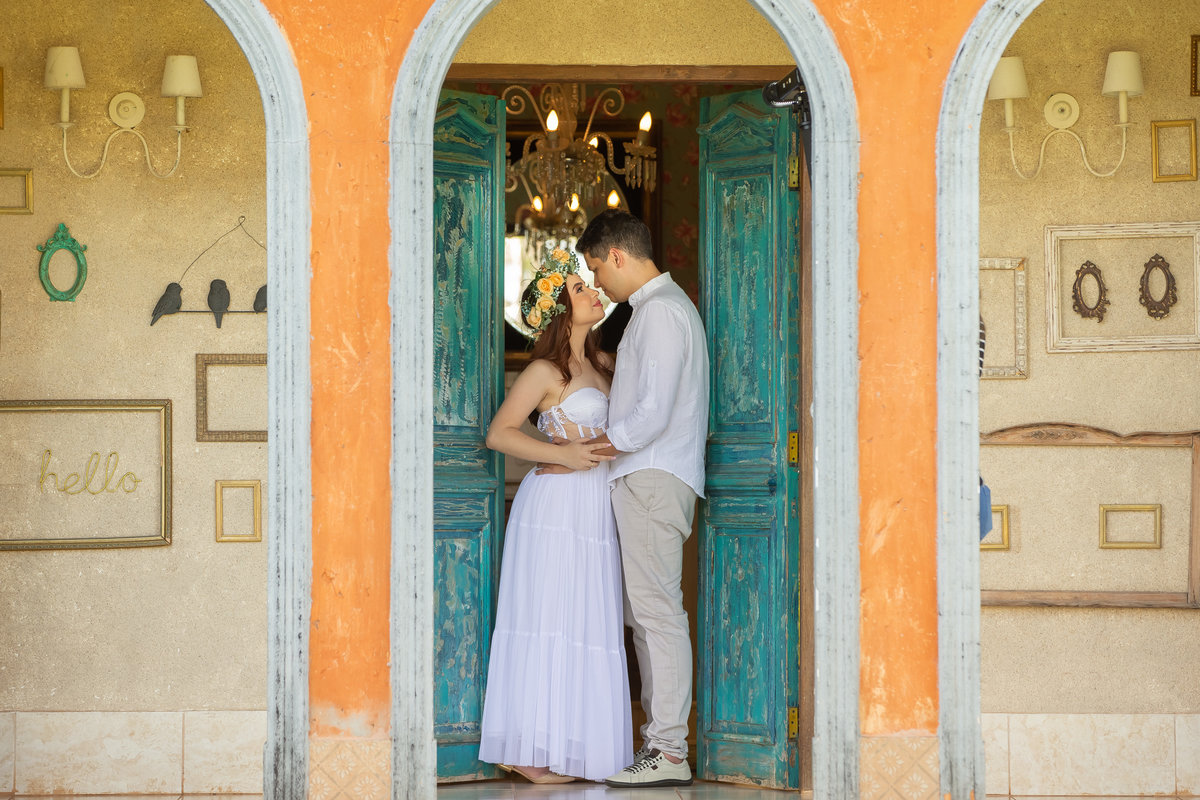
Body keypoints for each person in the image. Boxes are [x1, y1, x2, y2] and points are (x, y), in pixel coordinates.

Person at [476, 247, 633, 783]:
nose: (593, 291)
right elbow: (499, 434)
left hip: (596, 507)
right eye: (580, 288)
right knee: (548, 616)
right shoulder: (545, 371)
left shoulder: (605, 364)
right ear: (560, 309)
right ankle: (528, 750)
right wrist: (561, 454)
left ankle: (576, 747)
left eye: (589, 283)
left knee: (587, 617)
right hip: (554, 506)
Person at [574, 209, 710, 788]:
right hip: (648, 475)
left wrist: (594, 449)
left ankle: (669, 750)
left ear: (618, 255)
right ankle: (661, 744)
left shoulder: (660, 312)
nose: (597, 282)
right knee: (647, 615)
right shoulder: (656, 311)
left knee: (656, 614)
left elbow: (651, 413)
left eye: (597, 268)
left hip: (652, 475)